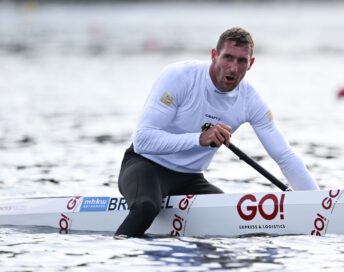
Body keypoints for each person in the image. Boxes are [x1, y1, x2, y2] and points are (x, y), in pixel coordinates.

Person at [115, 27, 319, 238]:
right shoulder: (180, 77)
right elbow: (142, 140)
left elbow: (284, 156)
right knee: (146, 206)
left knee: (232, 220)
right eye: (227, 58)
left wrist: (318, 203)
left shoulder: (250, 100)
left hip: (190, 179)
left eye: (242, 61)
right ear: (214, 55)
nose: (233, 68)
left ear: (251, 64)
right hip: (145, 165)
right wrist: (199, 139)